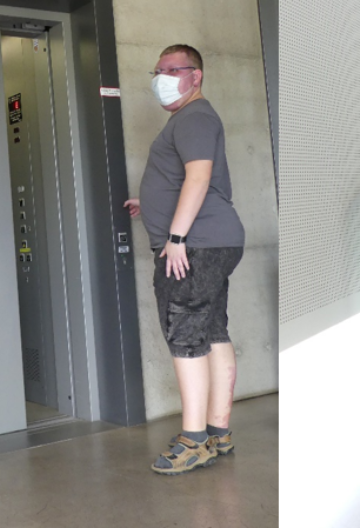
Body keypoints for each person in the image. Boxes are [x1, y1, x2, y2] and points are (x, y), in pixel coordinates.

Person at [124, 44, 245, 475]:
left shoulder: (193, 117)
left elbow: (199, 175)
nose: (163, 76)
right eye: (159, 70)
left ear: (196, 76)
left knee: (185, 336)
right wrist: (151, 202)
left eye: (174, 69)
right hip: (214, 241)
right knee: (212, 331)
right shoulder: (193, 118)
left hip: (195, 245)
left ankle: (193, 440)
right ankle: (218, 430)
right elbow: (187, 181)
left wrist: (175, 236)